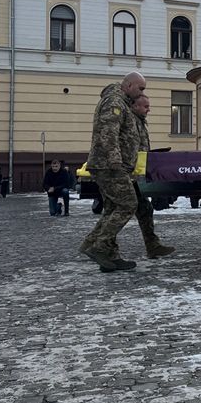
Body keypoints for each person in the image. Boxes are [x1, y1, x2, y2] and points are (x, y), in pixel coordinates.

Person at [79, 72, 149, 272]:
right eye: (140, 88)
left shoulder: (122, 102)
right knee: (128, 204)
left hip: (114, 165)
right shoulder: (114, 102)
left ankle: (108, 255)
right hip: (110, 165)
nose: (142, 92)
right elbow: (108, 133)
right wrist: (115, 161)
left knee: (112, 209)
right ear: (128, 85)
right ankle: (98, 246)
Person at [119, 94, 174, 261]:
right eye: (145, 106)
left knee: (145, 209)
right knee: (118, 213)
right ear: (135, 106)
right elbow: (127, 149)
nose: (148, 109)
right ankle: (97, 243)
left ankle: (153, 246)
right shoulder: (130, 122)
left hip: (135, 175)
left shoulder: (139, 122)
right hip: (125, 175)